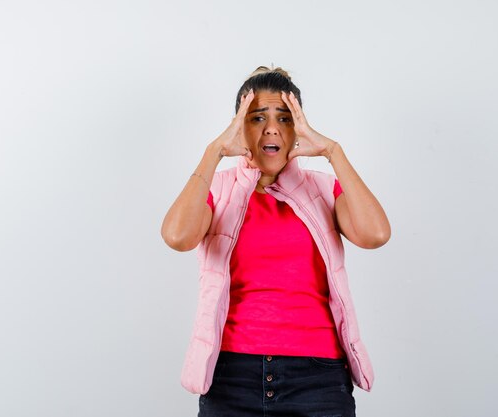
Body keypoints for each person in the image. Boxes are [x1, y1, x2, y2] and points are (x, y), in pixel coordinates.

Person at [161, 66, 391, 417]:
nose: (271, 127)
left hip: (319, 381)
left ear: (297, 127)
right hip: (232, 378)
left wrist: (333, 151)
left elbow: (375, 234)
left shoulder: (323, 188)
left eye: (285, 118)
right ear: (239, 126)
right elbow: (177, 236)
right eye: (256, 118)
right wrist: (214, 151)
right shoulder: (216, 189)